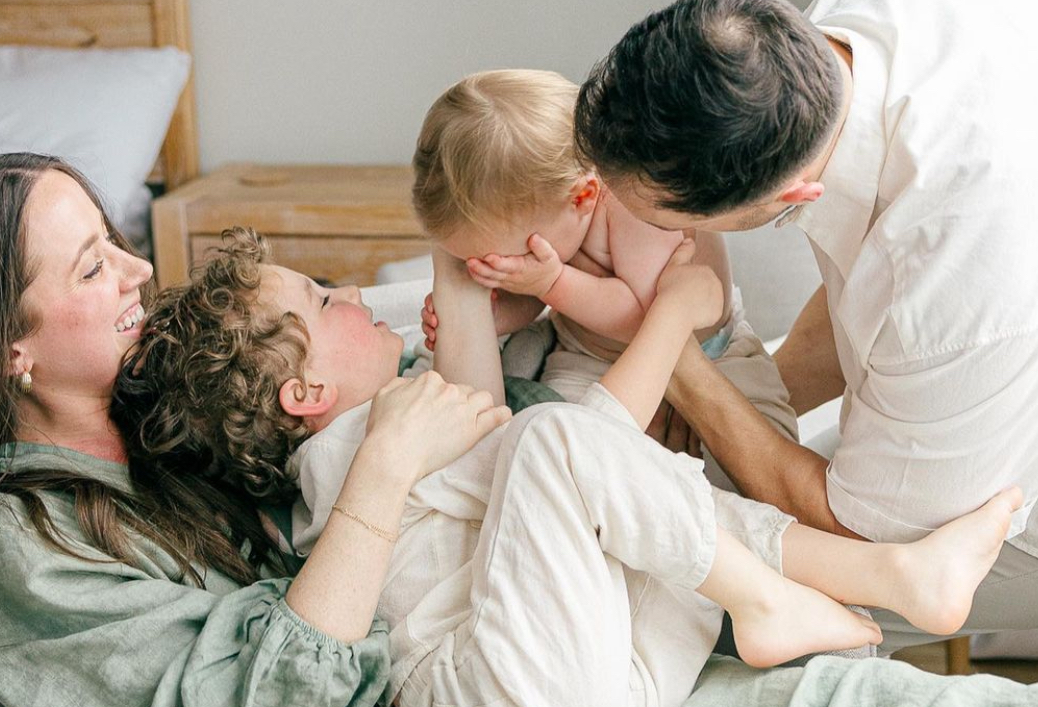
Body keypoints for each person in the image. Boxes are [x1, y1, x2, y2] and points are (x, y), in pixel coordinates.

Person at [120, 225, 1021, 707]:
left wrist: (474, 287)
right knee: (562, 442)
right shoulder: (351, 454)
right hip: (502, 690)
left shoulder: (409, 403)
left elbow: (587, 471)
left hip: (606, 670)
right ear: (304, 395)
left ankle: (870, 579)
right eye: (323, 300)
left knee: (655, 504)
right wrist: (667, 323)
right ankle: (829, 586)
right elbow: (579, 445)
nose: (354, 294)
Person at [572, 0, 1038, 651]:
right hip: (971, 351)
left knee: (668, 607)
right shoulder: (848, 25)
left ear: (791, 196)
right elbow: (868, 287)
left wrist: (664, 349)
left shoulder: (957, 278)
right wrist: (755, 401)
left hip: (1006, 510)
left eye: (665, 224)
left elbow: (858, 530)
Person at [0, 152, 510, 707]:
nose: (139, 270)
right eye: (92, 267)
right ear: (7, 350)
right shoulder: (5, 542)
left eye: (113, 240)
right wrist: (384, 467)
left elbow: (343, 331)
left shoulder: (165, 399)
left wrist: (465, 269)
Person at [412, 69, 798, 470]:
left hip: (712, 355)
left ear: (583, 196)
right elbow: (533, 299)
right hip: (584, 351)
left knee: (755, 453)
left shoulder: (634, 205)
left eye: (508, 258)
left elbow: (643, 315)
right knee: (553, 438)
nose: (506, 267)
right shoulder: (549, 215)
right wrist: (498, 314)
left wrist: (552, 283)